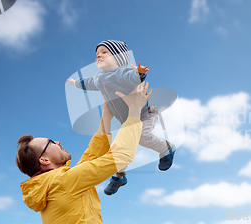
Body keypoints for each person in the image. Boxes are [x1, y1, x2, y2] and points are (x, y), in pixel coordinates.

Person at [16, 82, 152, 224]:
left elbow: (90, 158)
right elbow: (121, 155)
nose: (57, 142)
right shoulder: (63, 181)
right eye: (50, 142)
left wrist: (107, 113)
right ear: (44, 160)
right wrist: (135, 108)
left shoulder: (53, 184)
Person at [67, 40, 176, 195]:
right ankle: (119, 177)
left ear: (118, 58)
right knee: (120, 147)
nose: (99, 55)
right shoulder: (99, 78)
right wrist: (76, 83)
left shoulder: (121, 72)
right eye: (97, 54)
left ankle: (167, 149)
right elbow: (89, 83)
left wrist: (139, 73)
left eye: (104, 52)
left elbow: (131, 77)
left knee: (141, 137)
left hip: (145, 113)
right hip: (128, 120)